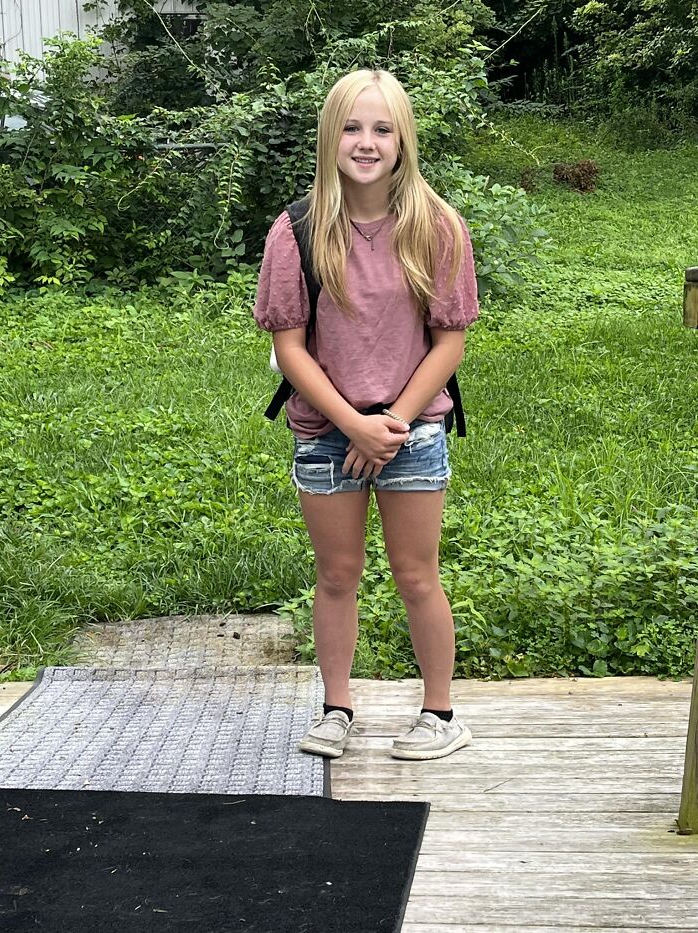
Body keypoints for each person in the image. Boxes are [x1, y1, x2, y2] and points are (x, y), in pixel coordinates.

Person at [253, 68, 479, 762]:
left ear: (404, 139)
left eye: (382, 128)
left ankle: (439, 712)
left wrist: (394, 425)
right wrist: (351, 423)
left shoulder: (437, 226)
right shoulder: (296, 231)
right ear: (330, 137)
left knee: (417, 574)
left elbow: (451, 339)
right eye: (352, 127)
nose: (367, 141)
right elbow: (288, 346)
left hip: (413, 433)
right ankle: (336, 705)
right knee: (337, 574)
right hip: (327, 435)